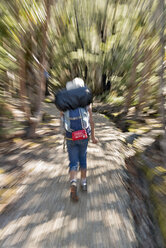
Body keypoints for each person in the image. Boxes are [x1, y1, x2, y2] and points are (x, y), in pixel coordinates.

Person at [60, 77, 98, 202]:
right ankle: (84, 183)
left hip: (70, 136)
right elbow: (91, 121)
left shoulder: (64, 103)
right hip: (83, 135)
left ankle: (73, 183)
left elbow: (62, 120)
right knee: (83, 158)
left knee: (73, 162)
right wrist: (93, 136)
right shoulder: (86, 102)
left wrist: (63, 133)